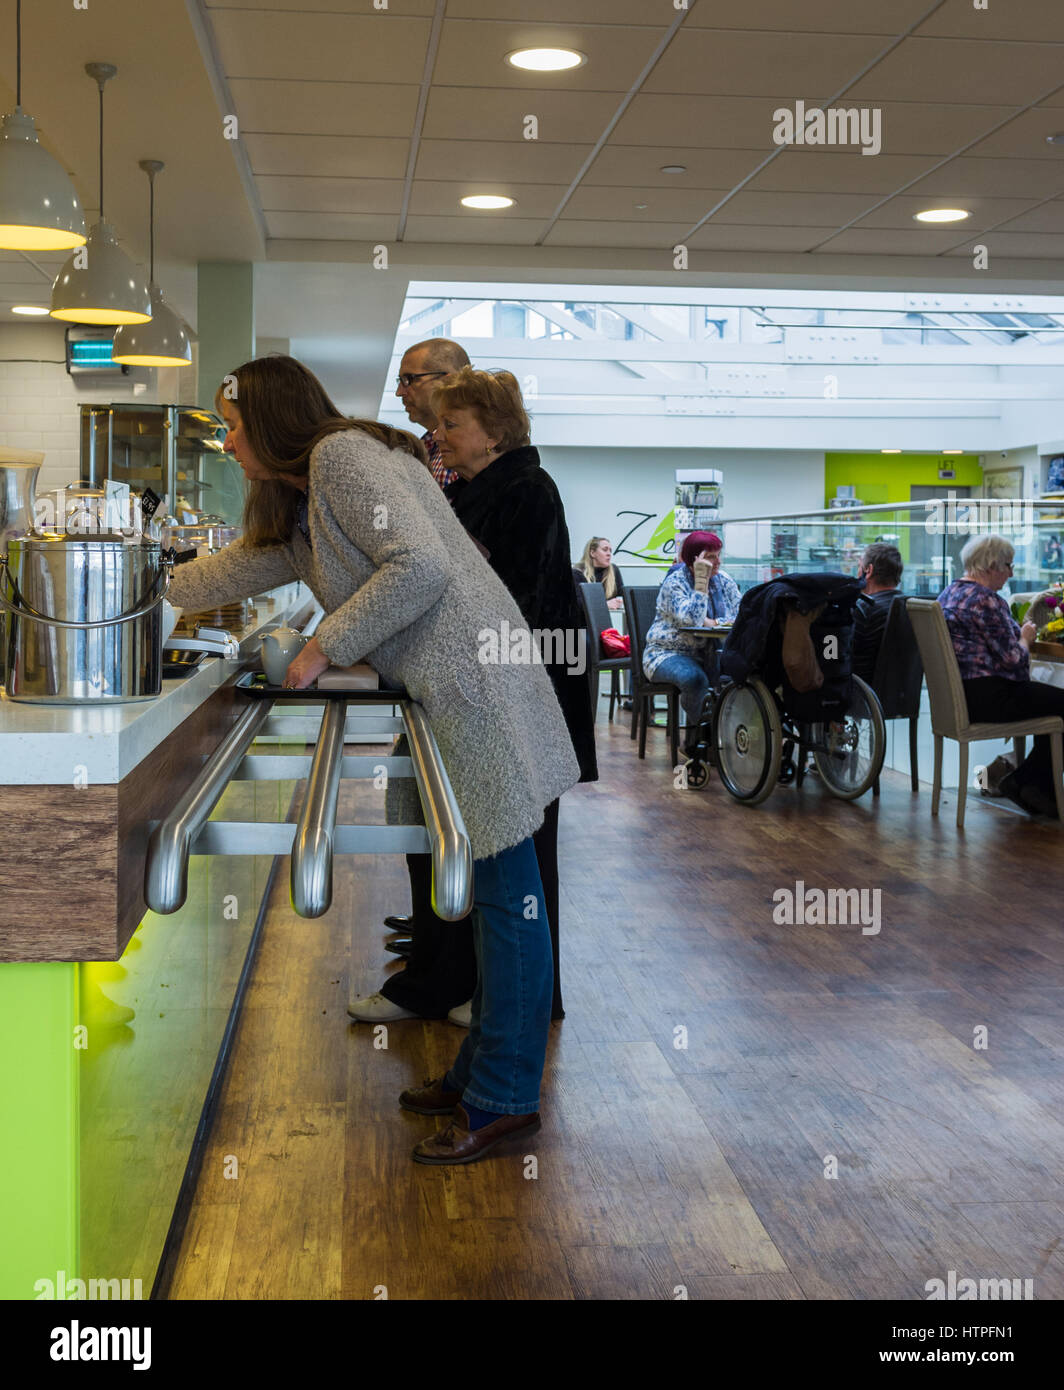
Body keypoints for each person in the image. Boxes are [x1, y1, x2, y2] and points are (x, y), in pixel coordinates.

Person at [165, 354, 581, 1164]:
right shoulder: (311, 491)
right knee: (495, 894)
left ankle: (503, 1098)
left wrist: (324, 646)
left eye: (233, 423)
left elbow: (418, 565)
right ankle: (480, 1073)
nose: (227, 438)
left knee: (506, 896)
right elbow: (256, 560)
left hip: (474, 686)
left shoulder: (341, 457)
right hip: (458, 687)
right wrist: (158, 582)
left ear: (271, 415)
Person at [367, 367, 597, 1027]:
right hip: (489, 691)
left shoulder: (524, 489)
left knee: (515, 848)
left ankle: (517, 998)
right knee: (461, 840)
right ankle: (458, 983)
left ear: (493, 432)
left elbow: (509, 604)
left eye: (450, 425)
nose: (436, 437)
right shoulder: (482, 488)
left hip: (520, 699)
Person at [385, 337, 471, 950]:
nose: (402, 391)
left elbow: (433, 565)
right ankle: (433, 929)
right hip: (434, 658)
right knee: (413, 790)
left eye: (411, 379)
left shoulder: (483, 475)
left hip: (460, 663)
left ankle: (444, 947)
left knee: (434, 801)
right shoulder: (424, 455)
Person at [939, 533, 1064, 818]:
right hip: (992, 696)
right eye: (1008, 565)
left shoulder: (950, 593)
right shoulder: (987, 601)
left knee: (1051, 703)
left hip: (962, 696)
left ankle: (1034, 785)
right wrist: (1026, 638)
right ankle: (1026, 781)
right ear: (991, 565)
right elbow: (1014, 661)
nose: (1010, 573)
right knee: (1058, 702)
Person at [643, 531, 740, 757]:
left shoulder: (724, 580)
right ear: (695, 559)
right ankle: (701, 738)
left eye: (718, 556)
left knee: (737, 676)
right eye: (712, 557)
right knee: (694, 679)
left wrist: (715, 621)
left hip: (710, 652)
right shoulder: (674, 583)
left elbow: (740, 613)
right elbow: (693, 621)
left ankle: (719, 736)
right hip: (665, 654)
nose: (718, 562)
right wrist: (701, 583)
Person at [393, 338, 470, 488]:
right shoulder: (427, 445)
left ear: (450, 381)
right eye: (400, 381)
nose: (399, 392)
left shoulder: (472, 449)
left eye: (409, 379)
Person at [852, 542, 903, 683]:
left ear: (868, 570)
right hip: (902, 699)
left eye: (858, 567)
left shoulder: (862, 611)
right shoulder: (909, 607)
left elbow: (835, 656)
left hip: (861, 697)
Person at [573, 537, 625, 611]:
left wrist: (619, 602)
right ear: (592, 553)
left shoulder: (613, 570)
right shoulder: (577, 572)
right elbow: (577, 603)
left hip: (604, 619)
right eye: (605, 550)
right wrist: (604, 604)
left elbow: (622, 595)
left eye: (610, 551)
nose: (609, 554)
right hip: (582, 620)